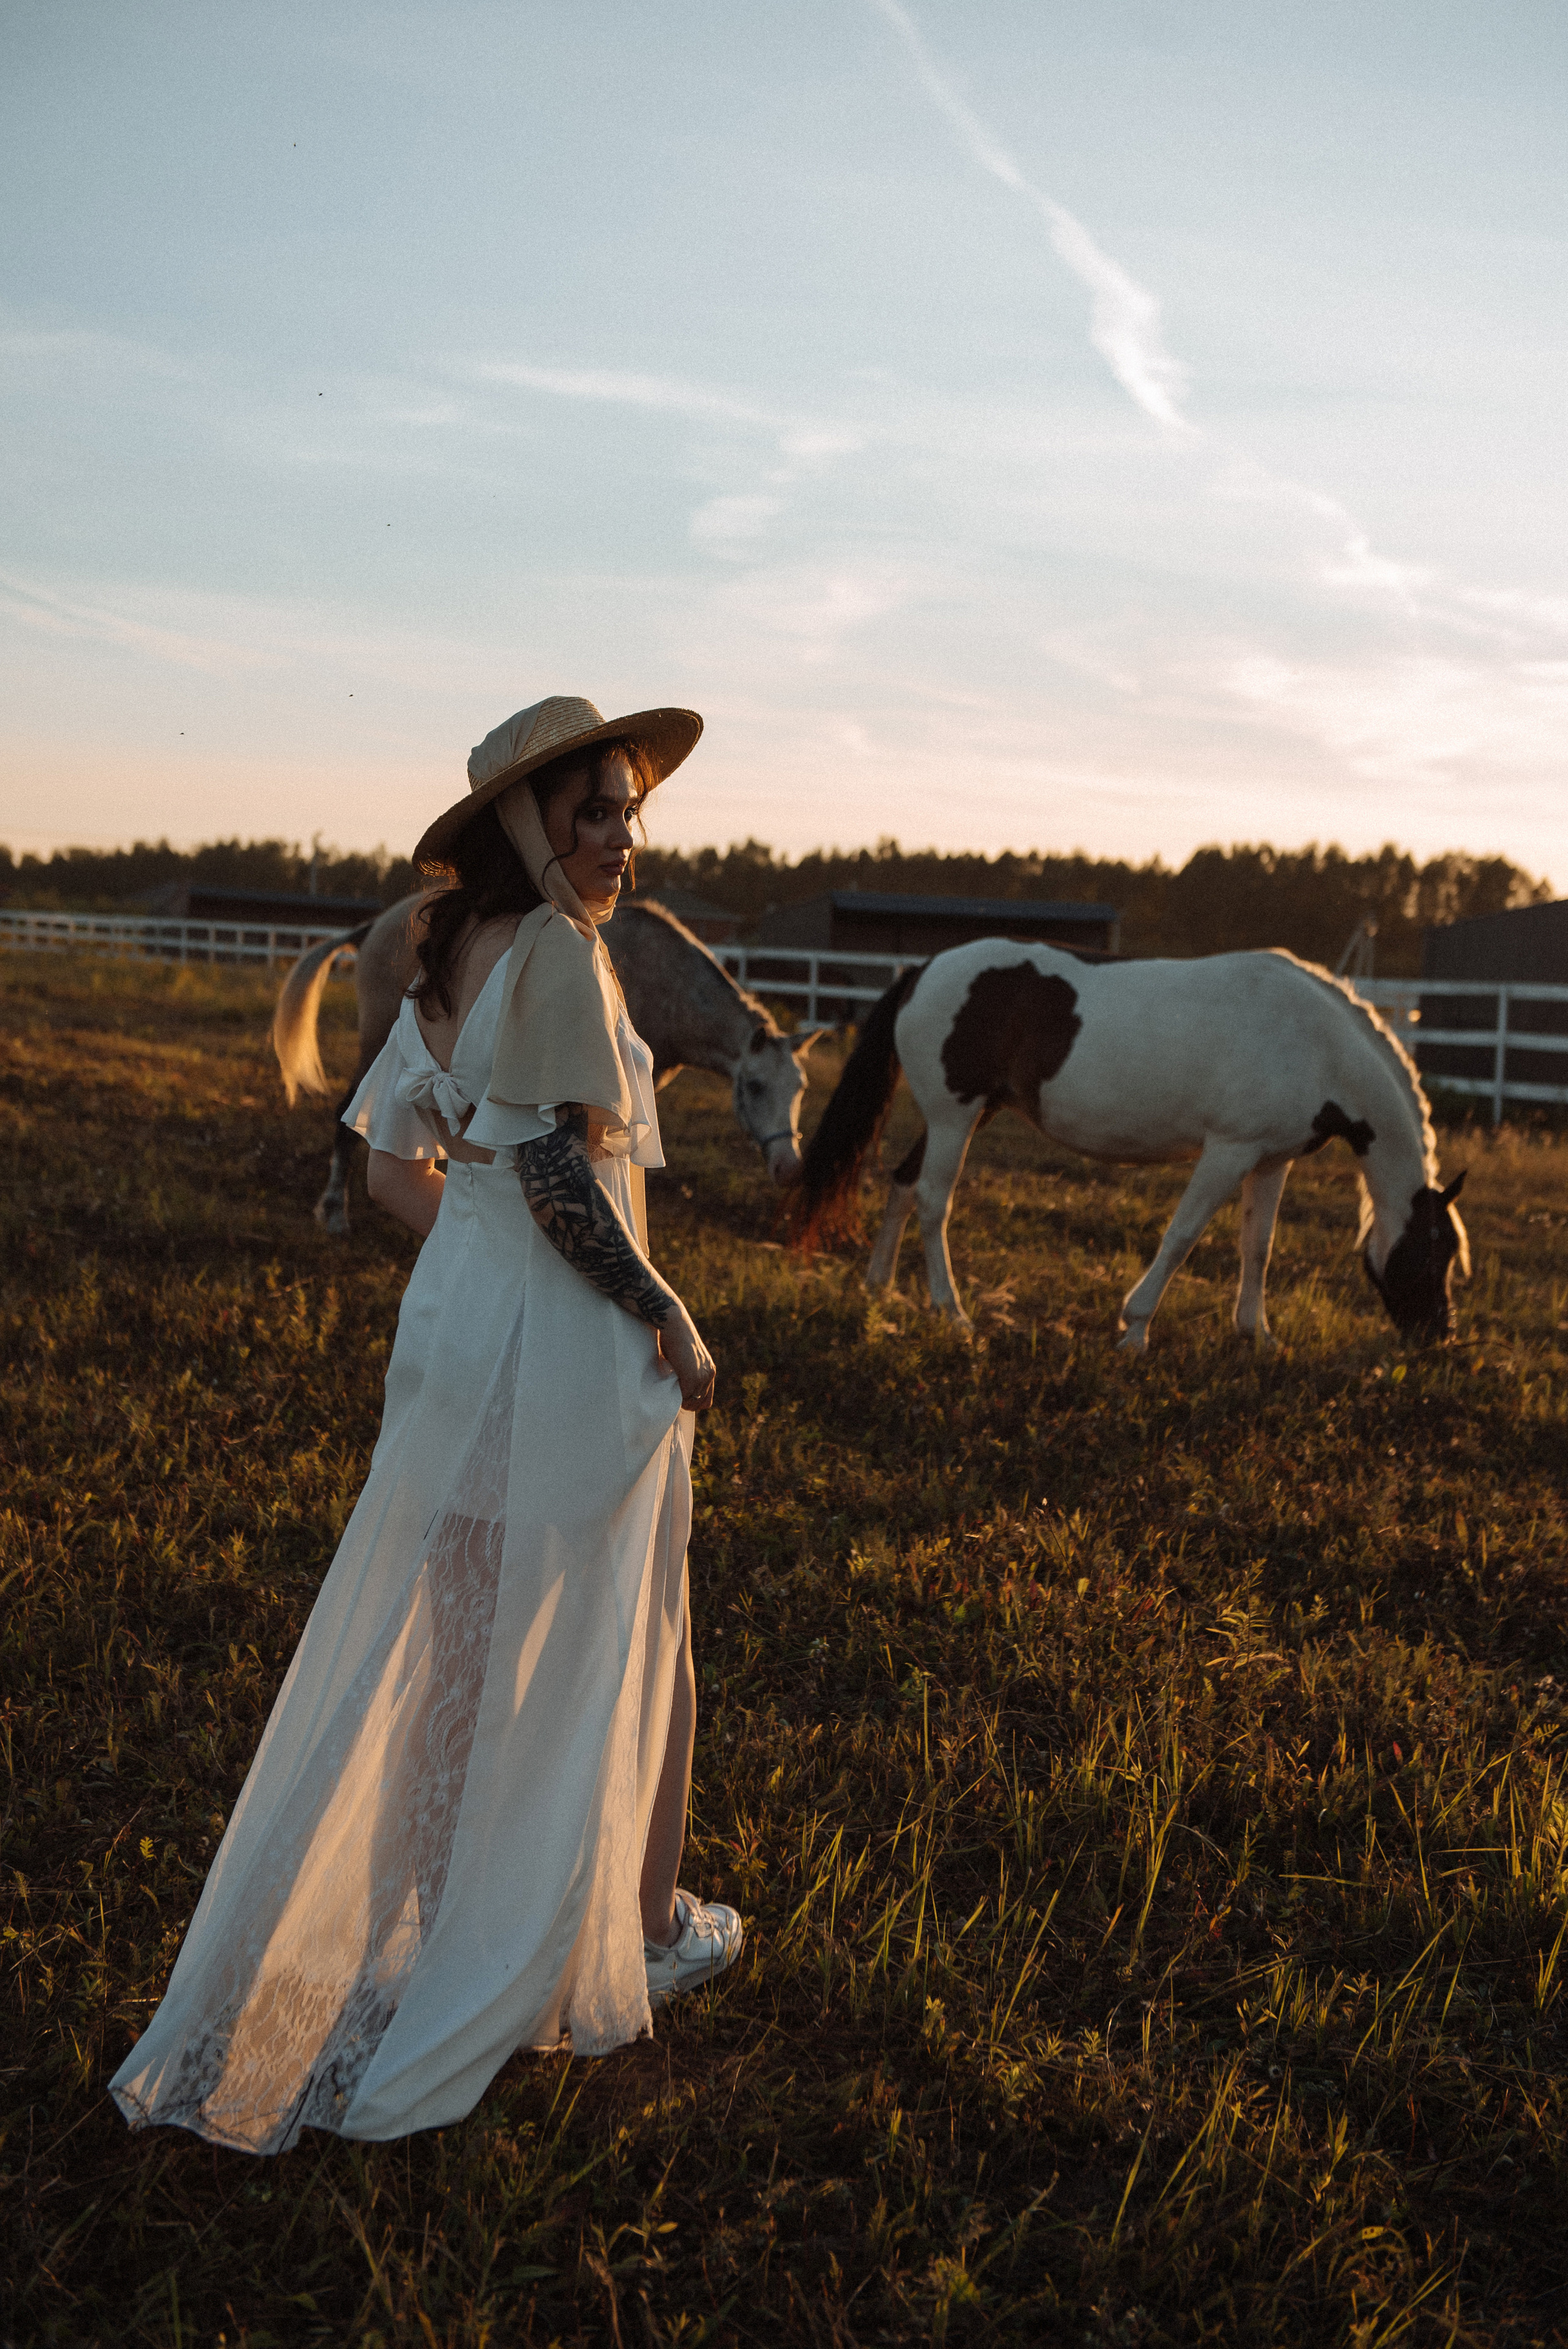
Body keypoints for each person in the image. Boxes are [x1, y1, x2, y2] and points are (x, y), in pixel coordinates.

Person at [110, 695, 742, 2154]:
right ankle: (635, 1929)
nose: (620, 840)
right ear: (529, 824)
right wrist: (667, 1315)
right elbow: (564, 1183)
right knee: (640, 1622)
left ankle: (425, 1910)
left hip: (456, 1334)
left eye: (627, 811)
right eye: (592, 812)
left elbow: (401, 1171)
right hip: (573, 1346)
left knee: (455, 1630)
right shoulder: (565, 960)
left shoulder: (446, 956)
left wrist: (482, 1272)